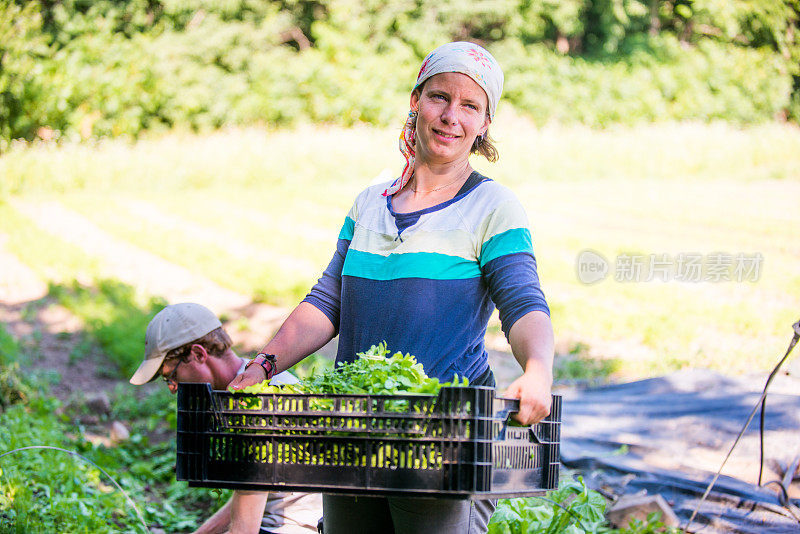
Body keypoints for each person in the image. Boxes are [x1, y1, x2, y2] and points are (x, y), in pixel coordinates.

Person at [229, 41, 554, 534]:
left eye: (470, 106)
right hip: (354, 429)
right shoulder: (370, 203)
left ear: (485, 123)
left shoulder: (492, 207)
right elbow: (328, 300)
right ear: (415, 101)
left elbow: (522, 301)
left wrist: (538, 369)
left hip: (441, 437)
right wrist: (264, 365)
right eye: (439, 97)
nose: (451, 117)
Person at [130, 302, 323, 534]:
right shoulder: (247, 383)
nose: (172, 388)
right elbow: (248, 495)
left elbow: (244, 529)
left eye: (171, 375)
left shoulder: (253, 402)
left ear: (199, 354)